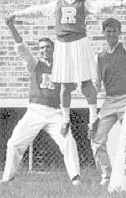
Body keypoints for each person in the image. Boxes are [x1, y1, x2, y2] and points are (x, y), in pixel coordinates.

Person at [6, 0, 126, 138]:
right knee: (65, 86)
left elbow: (101, 6)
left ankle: (93, 118)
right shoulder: (57, 4)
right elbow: (38, 10)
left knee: (86, 83)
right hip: (62, 46)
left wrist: (120, 3)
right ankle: (65, 119)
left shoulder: (84, 4)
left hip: (79, 43)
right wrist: (17, 13)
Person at [2, 18, 80, 185]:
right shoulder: (35, 64)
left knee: (68, 141)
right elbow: (22, 48)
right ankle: (7, 178)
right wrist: (11, 26)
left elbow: (72, 86)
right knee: (14, 143)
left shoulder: (62, 67)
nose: (44, 50)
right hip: (35, 110)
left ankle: (76, 178)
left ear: (54, 49)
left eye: (48, 47)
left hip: (55, 112)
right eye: (42, 48)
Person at [90, 0, 126, 185]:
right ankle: (106, 174)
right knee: (96, 138)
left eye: (114, 30)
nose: (111, 33)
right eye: (108, 30)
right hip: (110, 101)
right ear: (104, 33)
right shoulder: (99, 57)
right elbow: (96, 85)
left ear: (119, 33)